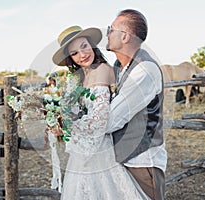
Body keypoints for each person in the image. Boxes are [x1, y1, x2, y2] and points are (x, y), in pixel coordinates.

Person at [52, 25, 149, 200]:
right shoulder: (78, 78)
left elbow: (99, 120)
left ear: (92, 45)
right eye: (74, 53)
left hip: (99, 147)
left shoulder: (102, 69)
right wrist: (57, 120)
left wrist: (68, 128)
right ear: (70, 59)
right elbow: (70, 111)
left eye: (84, 46)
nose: (82, 55)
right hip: (82, 149)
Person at [106, 9, 167, 200]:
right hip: (123, 159)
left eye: (111, 29)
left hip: (142, 163)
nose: (107, 33)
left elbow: (111, 119)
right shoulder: (119, 67)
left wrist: (79, 125)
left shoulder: (144, 69)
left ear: (124, 36)